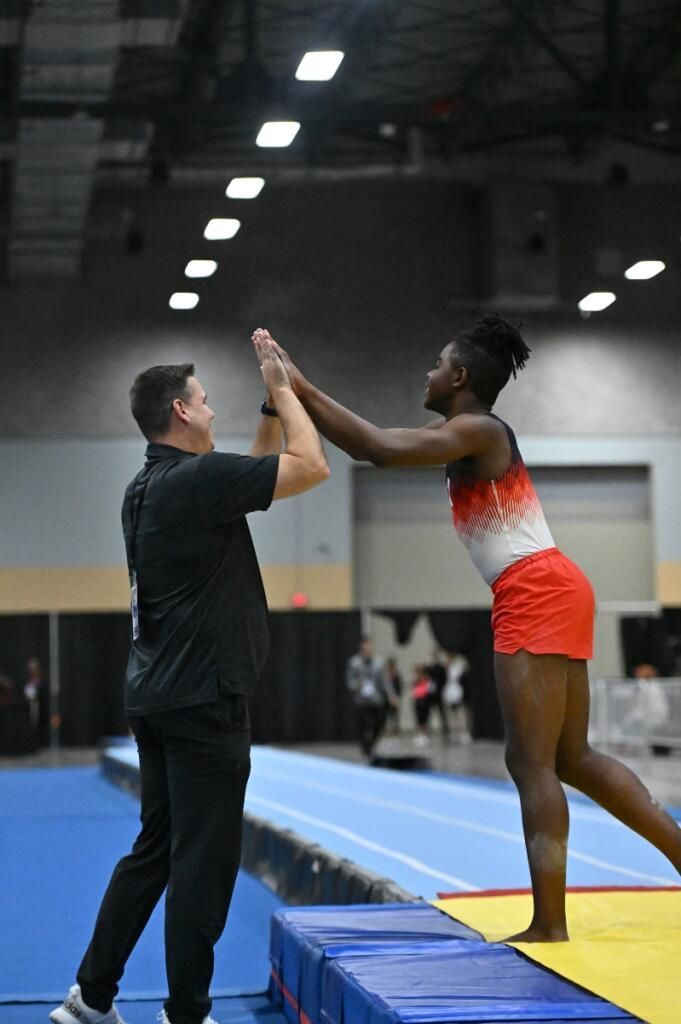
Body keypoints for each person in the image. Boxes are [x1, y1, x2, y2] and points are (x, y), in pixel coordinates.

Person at [258, 317, 681, 942]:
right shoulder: (463, 436)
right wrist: (294, 389)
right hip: (552, 583)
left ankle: (550, 924)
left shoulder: (479, 430)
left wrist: (298, 384)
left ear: (459, 377)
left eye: (436, 364)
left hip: (533, 586)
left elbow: (378, 448)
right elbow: (378, 446)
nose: (427, 372)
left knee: (531, 763)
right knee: (572, 758)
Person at [50, 331, 329, 1024]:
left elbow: (251, 474)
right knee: (201, 867)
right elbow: (310, 466)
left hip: (156, 697)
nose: (211, 410)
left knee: (154, 851)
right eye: (204, 401)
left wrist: (270, 406)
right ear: (180, 411)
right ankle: (187, 1014)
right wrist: (287, 388)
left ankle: (90, 997)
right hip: (204, 700)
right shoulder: (199, 483)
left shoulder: (146, 488)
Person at [346, 636, 390, 759]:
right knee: (362, 725)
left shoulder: (379, 663)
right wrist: (357, 686)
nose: (368, 649)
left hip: (376, 699)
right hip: (361, 700)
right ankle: (365, 746)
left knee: (379, 723)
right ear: (361, 647)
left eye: (370, 647)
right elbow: (350, 681)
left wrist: (391, 695)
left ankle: (371, 743)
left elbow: (385, 681)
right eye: (365, 647)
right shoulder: (354, 663)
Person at [426, 650, 450, 740]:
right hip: (430, 693)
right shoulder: (429, 667)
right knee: (429, 712)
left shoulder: (440, 667)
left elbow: (445, 679)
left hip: (438, 693)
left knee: (442, 711)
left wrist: (441, 688)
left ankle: (445, 729)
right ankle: (428, 729)